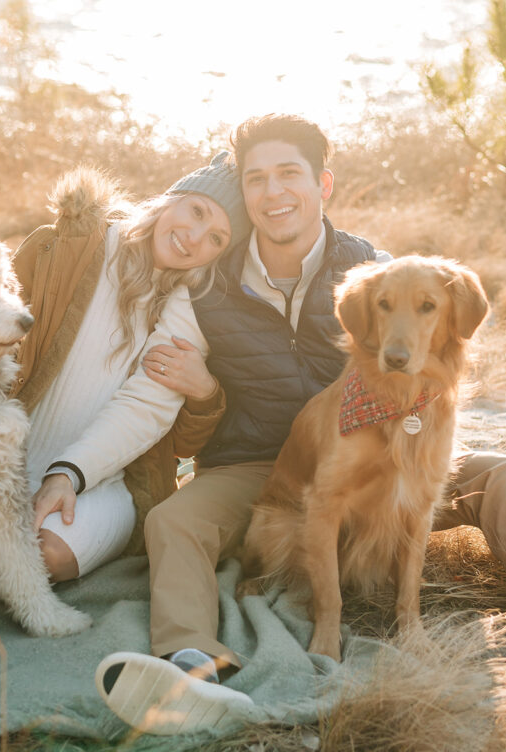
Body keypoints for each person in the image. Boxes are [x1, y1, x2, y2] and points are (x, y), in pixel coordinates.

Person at [96, 112, 506, 735]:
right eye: (256, 178)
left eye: (290, 173)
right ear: (245, 192)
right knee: (171, 521)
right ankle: (185, 665)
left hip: (389, 443)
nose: (274, 192)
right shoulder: (206, 285)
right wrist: (204, 394)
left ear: (324, 184)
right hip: (257, 465)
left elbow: (431, 337)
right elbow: (163, 412)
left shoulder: (372, 267)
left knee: (498, 476)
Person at [10, 152, 250, 582]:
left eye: (216, 238)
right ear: (172, 199)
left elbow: (148, 407)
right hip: (6, 451)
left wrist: (68, 473)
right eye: (196, 211)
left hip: (101, 478)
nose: (194, 238)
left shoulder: (191, 309)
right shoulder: (68, 248)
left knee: (44, 556)